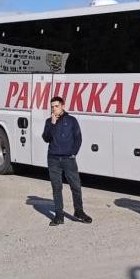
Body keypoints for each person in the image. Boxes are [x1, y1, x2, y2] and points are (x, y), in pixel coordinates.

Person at [41, 96, 91, 226]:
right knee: (56, 187)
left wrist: (73, 153)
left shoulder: (72, 120)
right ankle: (59, 215)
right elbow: (46, 138)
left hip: (68, 159)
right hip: (53, 159)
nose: (54, 109)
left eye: (56, 106)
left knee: (76, 186)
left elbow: (78, 138)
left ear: (62, 106)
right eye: (52, 107)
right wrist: (52, 124)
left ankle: (79, 211)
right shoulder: (48, 122)